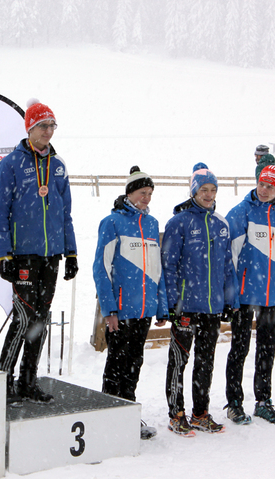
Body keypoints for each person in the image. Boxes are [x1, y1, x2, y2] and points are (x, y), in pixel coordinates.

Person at [0, 99, 78, 405]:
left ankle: (28, 380)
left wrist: (71, 252)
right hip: (24, 254)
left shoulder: (58, 166)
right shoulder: (11, 164)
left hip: (51, 255)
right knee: (23, 318)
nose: (48, 132)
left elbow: (65, 213)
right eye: (43, 126)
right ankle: (3, 380)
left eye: (52, 126)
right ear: (30, 128)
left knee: (41, 318)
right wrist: (5, 255)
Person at [161, 163, 238, 436]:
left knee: (206, 361)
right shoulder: (178, 223)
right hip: (186, 306)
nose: (209, 194)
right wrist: (171, 302)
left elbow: (227, 266)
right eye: (204, 189)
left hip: (212, 307)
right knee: (179, 361)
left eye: (213, 189)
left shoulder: (221, 225)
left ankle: (200, 413)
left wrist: (230, 300)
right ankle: (176, 413)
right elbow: (168, 266)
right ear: (194, 191)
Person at [92, 166, 168, 440]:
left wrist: (161, 305)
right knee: (116, 364)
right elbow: (101, 268)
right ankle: (108, 418)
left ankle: (128, 418)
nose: (146, 198)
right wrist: (109, 309)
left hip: (144, 310)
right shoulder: (112, 222)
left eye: (149, 193)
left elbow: (156, 269)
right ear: (129, 193)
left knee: (134, 364)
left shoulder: (152, 224)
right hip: (121, 310)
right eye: (141, 193)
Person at [224, 165, 275, 426]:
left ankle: (263, 402)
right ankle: (234, 403)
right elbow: (227, 258)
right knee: (239, 350)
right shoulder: (241, 213)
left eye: (271, 186)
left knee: (267, 351)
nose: (265, 190)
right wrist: (230, 296)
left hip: (272, 297)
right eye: (262, 184)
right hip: (244, 296)